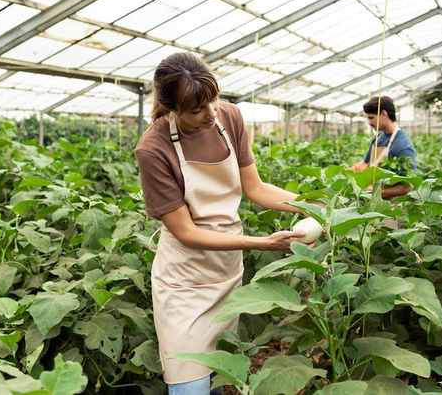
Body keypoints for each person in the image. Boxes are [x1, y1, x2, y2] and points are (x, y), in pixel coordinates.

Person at [135, 53, 309, 395]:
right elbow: (185, 233)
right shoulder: (153, 149)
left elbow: (255, 188)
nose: (212, 114)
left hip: (227, 271)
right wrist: (264, 243)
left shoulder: (230, 117)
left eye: (213, 100)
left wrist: (310, 205)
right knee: (190, 387)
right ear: (172, 108)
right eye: (197, 110)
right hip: (184, 283)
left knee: (216, 378)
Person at [350, 96, 417, 200]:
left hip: (390, 206)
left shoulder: (403, 145)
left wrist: (377, 193)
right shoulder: (377, 137)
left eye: (371, 118)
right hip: (369, 197)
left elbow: (409, 186)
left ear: (384, 114)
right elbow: (366, 164)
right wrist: (351, 173)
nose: (369, 122)